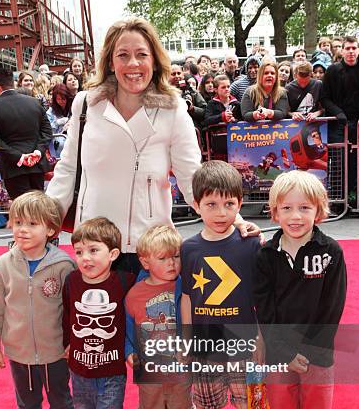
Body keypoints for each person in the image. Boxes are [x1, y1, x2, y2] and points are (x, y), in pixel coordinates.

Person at [46, 17, 260, 274]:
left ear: (154, 61)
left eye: (141, 54)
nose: (133, 64)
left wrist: (232, 219)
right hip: (95, 247)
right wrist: (42, 222)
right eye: (123, 55)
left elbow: (191, 176)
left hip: (151, 250)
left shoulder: (173, 109)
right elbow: (68, 170)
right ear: (111, 63)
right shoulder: (85, 104)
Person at [254, 171, 347, 409]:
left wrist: (307, 352)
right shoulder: (266, 256)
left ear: (319, 211)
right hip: (280, 355)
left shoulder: (331, 253)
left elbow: (331, 309)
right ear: (274, 212)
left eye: (305, 208)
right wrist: (284, 351)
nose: (295, 216)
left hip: (318, 355)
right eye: (287, 208)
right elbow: (264, 309)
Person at [0, 191, 86, 409]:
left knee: (62, 402)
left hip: (55, 351)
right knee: (26, 404)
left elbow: (73, 311)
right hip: (19, 352)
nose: (22, 229)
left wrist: (72, 344)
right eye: (17, 222)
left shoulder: (64, 266)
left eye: (31, 223)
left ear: (51, 229)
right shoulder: (3, 265)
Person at [181, 161, 268, 409]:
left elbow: (261, 294)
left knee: (251, 403)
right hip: (205, 345)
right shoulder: (188, 249)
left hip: (244, 342)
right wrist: (187, 342)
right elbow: (187, 298)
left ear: (240, 204)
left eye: (229, 204)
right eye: (211, 204)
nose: (221, 212)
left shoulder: (250, 244)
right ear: (196, 204)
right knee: (208, 402)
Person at [63, 217, 135, 409]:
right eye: (79, 251)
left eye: (94, 250)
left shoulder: (124, 281)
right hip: (79, 370)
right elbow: (67, 315)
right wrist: (66, 343)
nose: (85, 258)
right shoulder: (71, 281)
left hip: (111, 371)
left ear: (113, 254)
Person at [125, 225, 197, 409]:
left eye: (176, 256)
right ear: (145, 261)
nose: (172, 263)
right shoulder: (135, 294)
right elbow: (127, 327)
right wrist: (129, 351)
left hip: (180, 366)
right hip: (150, 368)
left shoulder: (185, 287)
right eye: (163, 258)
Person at [321, 35, 359, 199]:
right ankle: (339, 199)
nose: (351, 52)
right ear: (342, 50)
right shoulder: (332, 70)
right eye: (347, 48)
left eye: (354, 48)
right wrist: (338, 113)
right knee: (339, 162)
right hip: (339, 124)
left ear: (358, 50)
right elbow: (324, 98)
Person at [0, 68, 52, 199]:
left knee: (22, 211)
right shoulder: (34, 103)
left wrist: (19, 157)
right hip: (36, 164)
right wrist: (38, 152)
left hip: (13, 167)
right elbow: (47, 131)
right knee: (38, 207)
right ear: (14, 83)